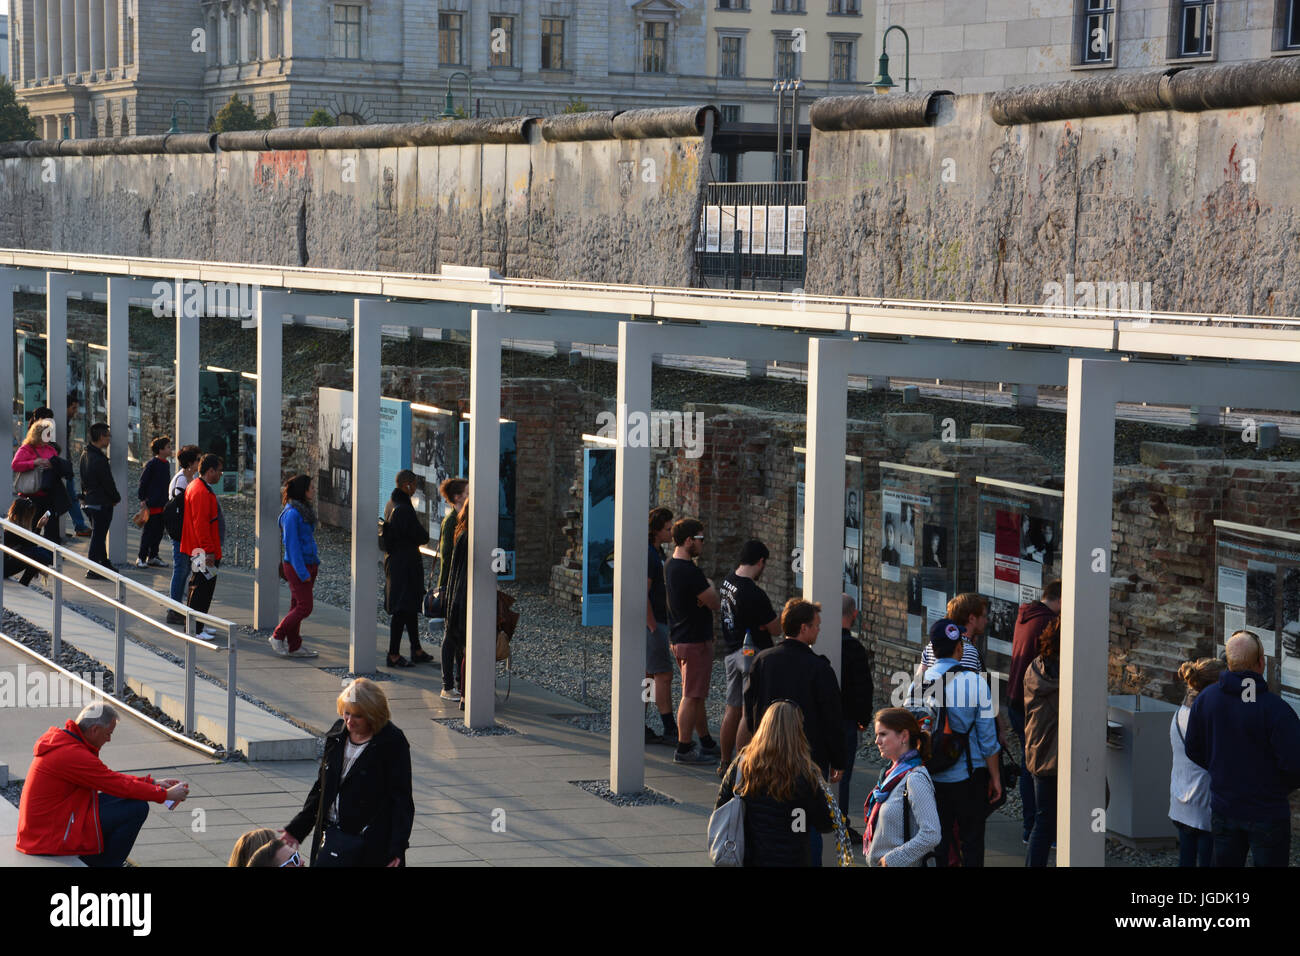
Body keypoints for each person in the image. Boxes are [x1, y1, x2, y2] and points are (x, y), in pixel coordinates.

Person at [16, 702, 189, 866]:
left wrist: (153, 783)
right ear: (94, 730)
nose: (109, 739)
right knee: (137, 808)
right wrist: (164, 795)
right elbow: (116, 783)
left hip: (47, 827)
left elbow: (110, 779)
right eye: (108, 733)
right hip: (48, 838)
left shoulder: (67, 743)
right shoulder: (72, 754)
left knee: (125, 800)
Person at [1184, 630, 1300, 867]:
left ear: (1228, 663)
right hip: (1267, 812)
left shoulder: (1207, 699)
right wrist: (1274, 788)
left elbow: (1193, 748)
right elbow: (1295, 765)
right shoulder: (1277, 710)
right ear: (1261, 663)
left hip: (1225, 808)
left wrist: (1220, 771)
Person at [745, 598, 845, 866]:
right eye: (816, 625)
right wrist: (838, 759)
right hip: (808, 759)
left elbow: (750, 711)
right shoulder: (819, 668)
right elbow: (832, 719)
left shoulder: (762, 661)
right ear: (804, 628)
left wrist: (756, 741)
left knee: (770, 817)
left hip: (767, 754)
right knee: (805, 822)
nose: (819, 630)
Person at [281, 678, 414, 867]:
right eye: (347, 713)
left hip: (370, 845)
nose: (350, 721)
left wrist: (397, 847)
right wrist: (297, 829)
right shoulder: (337, 735)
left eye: (358, 716)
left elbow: (401, 800)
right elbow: (322, 788)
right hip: (332, 839)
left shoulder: (392, 742)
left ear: (373, 715)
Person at [912, 618, 1002, 867]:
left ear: (933, 648)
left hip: (930, 777)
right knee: (971, 842)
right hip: (969, 776)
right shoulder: (976, 682)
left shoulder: (918, 685)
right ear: (959, 648)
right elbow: (988, 740)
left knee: (937, 843)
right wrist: (995, 778)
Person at [713, 700, 834, 867]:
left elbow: (721, 807)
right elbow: (825, 823)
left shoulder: (742, 767)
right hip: (793, 859)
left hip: (750, 857)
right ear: (797, 731)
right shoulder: (806, 773)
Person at [1007, 580, 1061, 844]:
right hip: (1033, 703)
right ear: (1061, 600)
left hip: (1016, 697)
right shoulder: (1047, 622)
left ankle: (1033, 826)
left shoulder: (1026, 616)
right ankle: (1037, 827)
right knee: (1036, 767)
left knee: (1029, 762)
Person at [718, 539, 781, 769]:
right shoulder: (755, 593)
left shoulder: (727, 581)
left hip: (731, 651)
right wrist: (770, 622)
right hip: (751, 654)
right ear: (760, 561)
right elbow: (775, 628)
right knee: (749, 713)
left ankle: (725, 762)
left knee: (731, 708)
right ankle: (742, 767)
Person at [664, 518, 721, 765]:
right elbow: (714, 602)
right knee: (691, 695)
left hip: (680, 638)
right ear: (689, 541)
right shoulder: (690, 571)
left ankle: (706, 741)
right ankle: (684, 747)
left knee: (696, 695)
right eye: (700, 539)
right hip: (695, 642)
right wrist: (710, 585)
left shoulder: (671, 565)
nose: (703, 544)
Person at [864, 708, 941, 867]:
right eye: (877, 735)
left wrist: (892, 860)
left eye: (883, 734)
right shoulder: (889, 774)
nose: (877, 741)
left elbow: (932, 833)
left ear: (904, 736)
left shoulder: (915, 779)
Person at [1170, 657, 1226, 867]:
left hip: (1181, 799)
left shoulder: (1179, 713)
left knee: (1186, 858)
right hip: (1203, 803)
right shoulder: (1205, 719)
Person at [383, 469, 433, 669]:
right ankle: (393, 654)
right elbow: (421, 536)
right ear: (407, 485)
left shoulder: (391, 504)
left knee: (410, 608)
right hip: (405, 566)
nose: (415, 488)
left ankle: (416, 649)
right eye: (414, 484)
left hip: (398, 563)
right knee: (402, 610)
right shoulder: (403, 509)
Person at [269, 474, 320, 659]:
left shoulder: (302, 511)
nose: (314, 490)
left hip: (309, 564)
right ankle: (277, 636)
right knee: (305, 607)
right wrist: (302, 572)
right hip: (298, 566)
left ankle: (294, 645)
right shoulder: (292, 514)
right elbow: (292, 546)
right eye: (311, 487)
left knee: (296, 605)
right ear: (303, 491)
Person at [1023, 618, 1061, 867]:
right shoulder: (1067, 680)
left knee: (1043, 821)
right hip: (1060, 755)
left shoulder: (1034, 668)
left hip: (1038, 753)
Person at [181, 454, 226, 641]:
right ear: (210, 471)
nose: (221, 474)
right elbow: (201, 524)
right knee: (201, 588)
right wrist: (209, 551)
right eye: (219, 471)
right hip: (201, 550)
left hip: (198, 548)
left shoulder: (196, 487)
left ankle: (198, 624)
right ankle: (195, 629)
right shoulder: (201, 491)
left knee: (200, 586)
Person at [839, 593, 875, 815]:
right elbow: (863, 688)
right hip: (846, 720)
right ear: (854, 614)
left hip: (822, 718)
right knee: (842, 774)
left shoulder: (821, 643)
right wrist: (863, 719)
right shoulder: (854, 648)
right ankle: (840, 820)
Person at [645, 506, 677, 744]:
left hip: (658, 621)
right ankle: (669, 726)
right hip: (655, 623)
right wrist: (653, 627)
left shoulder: (658, 552)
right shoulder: (650, 556)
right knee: (663, 674)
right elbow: (643, 592)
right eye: (668, 528)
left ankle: (640, 720)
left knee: (648, 675)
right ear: (656, 530)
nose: (671, 532)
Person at [436, 478, 468, 700]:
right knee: (451, 636)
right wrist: (446, 588)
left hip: (457, 586)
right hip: (453, 586)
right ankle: (448, 685)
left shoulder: (461, 520)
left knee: (457, 637)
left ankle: (458, 681)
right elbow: (448, 558)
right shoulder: (452, 522)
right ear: (458, 497)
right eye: (467, 492)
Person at [12, 417, 64, 547]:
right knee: (32, 525)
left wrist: (53, 466)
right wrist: (34, 463)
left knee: (52, 527)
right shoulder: (26, 449)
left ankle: (50, 551)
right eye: (47, 433)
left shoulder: (50, 449)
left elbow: (58, 465)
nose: (50, 436)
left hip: (49, 493)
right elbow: (15, 465)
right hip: (32, 495)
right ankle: (30, 550)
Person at [78, 422, 121, 579]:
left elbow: (82, 478)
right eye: (108, 436)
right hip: (101, 502)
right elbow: (107, 482)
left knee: (99, 533)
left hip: (90, 500)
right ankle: (93, 567)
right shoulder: (99, 459)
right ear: (101, 437)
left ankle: (103, 563)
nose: (109, 439)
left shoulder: (85, 454)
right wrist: (115, 497)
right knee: (98, 535)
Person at [165, 445, 202, 624]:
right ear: (190, 463)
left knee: (186, 569)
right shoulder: (181, 481)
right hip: (181, 533)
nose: (200, 463)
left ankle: (179, 607)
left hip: (187, 532)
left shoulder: (189, 478)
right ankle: (174, 609)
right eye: (198, 460)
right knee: (181, 569)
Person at [921, 593, 987, 672]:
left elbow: (918, 678)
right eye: (984, 616)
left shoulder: (932, 645)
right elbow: (965, 680)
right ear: (971, 618)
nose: (986, 621)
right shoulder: (968, 651)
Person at [134, 436, 172, 568]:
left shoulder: (166, 464)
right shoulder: (152, 464)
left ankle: (153, 556)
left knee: (158, 532)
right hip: (152, 504)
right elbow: (143, 482)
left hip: (162, 504)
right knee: (148, 532)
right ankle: (141, 557)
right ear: (160, 450)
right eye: (168, 447)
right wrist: (142, 499)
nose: (170, 449)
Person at [3, 497, 54, 585]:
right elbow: (31, 546)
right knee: (38, 555)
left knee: (40, 553)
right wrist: (39, 527)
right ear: (21, 516)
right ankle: (24, 583)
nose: (31, 518)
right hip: (2, 568)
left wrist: (38, 527)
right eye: (29, 516)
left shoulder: (10, 523)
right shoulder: (10, 530)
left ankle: (24, 583)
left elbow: (30, 546)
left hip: (5, 564)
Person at [63, 396, 92, 537]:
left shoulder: (65, 422)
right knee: (71, 495)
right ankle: (79, 526)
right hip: (63, 466)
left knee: (70, 495)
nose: (75, 411)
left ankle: (79, 525)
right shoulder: (61, 422)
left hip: (65, 464)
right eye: (73, 408)